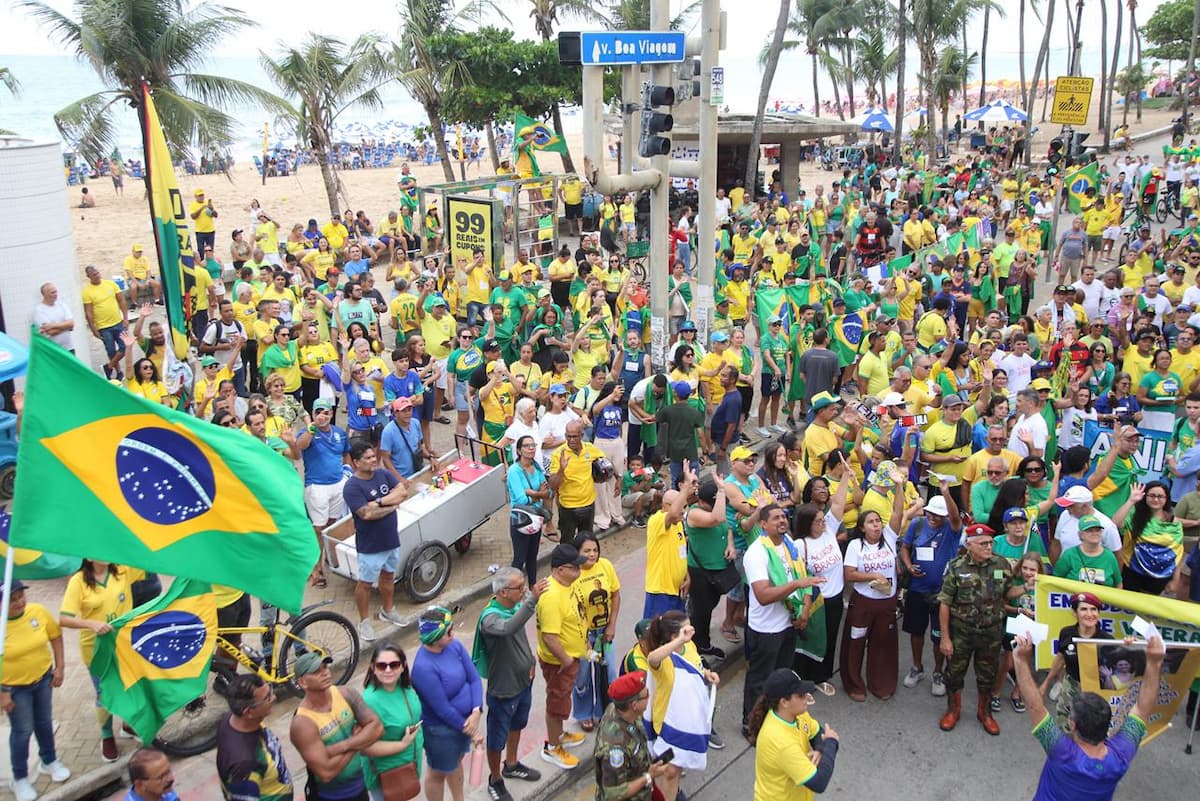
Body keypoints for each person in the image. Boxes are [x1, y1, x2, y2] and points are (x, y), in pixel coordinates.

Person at [1015, 631, 1165, 801]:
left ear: (1072, 724)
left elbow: (1035, 706)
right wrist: (1154, 663)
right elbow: (1142, 709)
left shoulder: (1062, 753)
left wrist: (1020, 660)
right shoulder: (1120, 755)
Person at [742, 502, 827, 738]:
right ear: (762, 524)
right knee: (759, 681)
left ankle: (776, 721)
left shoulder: (789, 545)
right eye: (776, 518)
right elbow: (763, 595)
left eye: (784, 517)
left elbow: (805, 578)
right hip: (766, 630)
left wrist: (805, 610)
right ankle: (751, 725)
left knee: (781, 677)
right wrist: (794, 586)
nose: (782, 521)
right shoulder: (756, 553)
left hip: (789, 624)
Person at [937, 523, 1022, 734]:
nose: (988, 547)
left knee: (987, 674)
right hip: (961, 632)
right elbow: (945, 603)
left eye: (991, 543)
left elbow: (1008, 592)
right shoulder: (956, 567)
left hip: (991, 632)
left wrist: (1026, 588)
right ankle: (953, 711)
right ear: (970, 545)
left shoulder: (1001, 564)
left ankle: (984, 713)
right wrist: (945, 638)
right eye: (983, 543)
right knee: (955, 673)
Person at [59, 559, 145, 763]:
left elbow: (146, 557)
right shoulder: (78, 581)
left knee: (129, 686)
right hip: (96, 650)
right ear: (87, 557)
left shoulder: (124, 569)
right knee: (104, 694)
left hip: (125, 645)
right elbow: (64, 619)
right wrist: (90, 624)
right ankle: (107, 735)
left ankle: (128, 724)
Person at [474, 568, 547, 801]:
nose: (524, 590)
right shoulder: (491, 618)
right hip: (503, 689)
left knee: (517, 724)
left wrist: (530, 660)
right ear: (504, 592)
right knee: (497, 737)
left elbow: (520, 636)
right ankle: (495, 779)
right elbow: (509, 628)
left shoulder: (513, 605)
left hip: (523, 681)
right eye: (520, 587)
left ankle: (512, 763)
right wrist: (533, 599)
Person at [840, 475, 907, 702]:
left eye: (878, 521)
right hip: (863, 603)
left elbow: (898, 512)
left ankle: (882, 683)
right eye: (870, 522)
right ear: (862, 527)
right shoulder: (855, 546)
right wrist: (873, 576)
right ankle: (854, 683)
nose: (876, 525)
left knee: (883, 643)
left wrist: (899, 485)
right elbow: (848, 574)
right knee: (856, 642)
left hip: (886, 603)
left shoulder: (889, 538)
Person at [2, 579, 69, 801]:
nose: (20, 602)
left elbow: (55, 636)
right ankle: (19, 778)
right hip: (14, 689)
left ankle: (48, 761)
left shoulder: (37, 611)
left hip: (42, 680)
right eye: (12, 600)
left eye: (21, 596)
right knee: (22, 731)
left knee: (44, 722)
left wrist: (60, 667)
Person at [410, 607, 483, 801]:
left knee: (456, 761)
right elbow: (441, 709)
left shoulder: (454, 646)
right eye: (449, 631)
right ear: (435, 637)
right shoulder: (423, 668)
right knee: (438, 772)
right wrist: (471, 730)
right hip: (441, 730)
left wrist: (476, 710)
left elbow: (474, 678)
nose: (454, 633)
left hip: (465, 723)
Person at [342, 440, 411, 642]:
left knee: (388, 577)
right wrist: (392, 504)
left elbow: (403, 491)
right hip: (370, 545)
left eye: (374, 456)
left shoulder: (383, 474)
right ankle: (363, 622)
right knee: (365, 584)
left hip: (391, 539)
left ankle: (388, 609)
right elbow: (366, 514)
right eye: (368, 458)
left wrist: (380, 502)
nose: (374, 460)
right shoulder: (352, 487)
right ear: (356, 462)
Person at [290, 652, 383, 801]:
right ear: (302, 683)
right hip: (330, 797)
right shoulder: (302, 723)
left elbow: (377, 728)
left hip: (360, 788)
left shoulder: (346, 693)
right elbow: (326, 773)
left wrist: (343, 746)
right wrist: (358, 740)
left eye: (325, 667)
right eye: (316, 672)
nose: (325, 673)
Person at [748, 669, 840, 801]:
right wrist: (830, 743)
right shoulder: (781, 742)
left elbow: (816, 732)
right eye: (800, 695)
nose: (807, 698)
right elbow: (819, 783)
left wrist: (820, 749)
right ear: (784, 702)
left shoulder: (796, 714)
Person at [535, 544, 589, 769]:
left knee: (562, 701)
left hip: (570, 658)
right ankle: (553, 747)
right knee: (556, 705)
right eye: (574, 567)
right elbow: (550, 637)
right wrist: (567, 661)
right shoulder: (551, 597)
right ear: (559, 570)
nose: (579, 570)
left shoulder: (568, 585)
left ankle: (559, 735)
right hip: (559, 663)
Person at [360, 643, 423, 801]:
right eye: (382, 666)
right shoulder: (369, 701)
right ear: (373, 668)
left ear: (403, 667)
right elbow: (364, 747)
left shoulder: (406, 688)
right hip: (386, 774)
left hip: (410, 766)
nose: (388, 670)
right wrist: (402, 745)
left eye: (394, 665)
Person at [591, 671, 667, 801]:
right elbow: (613, 794)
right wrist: (649, 776)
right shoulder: (615, 750)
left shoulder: (619, 710)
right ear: (634, 705)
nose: (650, 696)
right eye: (646, 695)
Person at [298, 398, 350, 588]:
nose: (322, 416)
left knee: (331, 525)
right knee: (318, 530)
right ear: (313, 414)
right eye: (318, 412)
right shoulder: (307, 432)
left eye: (326, 412)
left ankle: (328, 558)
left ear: (331, 414)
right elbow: (300, 446)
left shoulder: (339, 433)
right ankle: (315, 570)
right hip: (316, 487)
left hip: (337, 485)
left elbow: (346, 454)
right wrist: (311, 429)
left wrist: (348, 472)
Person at [217, 675, 294, 801]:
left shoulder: (232, 719)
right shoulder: (245, 764)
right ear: (248, 712)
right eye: (267, 698)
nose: (274, 698)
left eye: (270, 691)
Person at [572, 533, 621, 732]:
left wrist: (612, 625)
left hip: (604, 631)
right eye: (587, 551)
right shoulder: (573, 575)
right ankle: (584, 713)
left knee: (608, 673)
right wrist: (584, 640)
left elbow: (616, 596)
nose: (592, 555)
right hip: (583, 636)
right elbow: (573, 611)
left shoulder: (606, 566)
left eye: (595, 550)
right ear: (577, 553)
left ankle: (605, 712)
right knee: (582, 676)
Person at [548, 420, 605, 543]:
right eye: (569, 436)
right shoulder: (558, 454)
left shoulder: (590, 448)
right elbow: (552, 485)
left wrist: (618, 478)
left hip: (588, 505)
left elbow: (604, 461)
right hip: (568, 508)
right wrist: (561, 471)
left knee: (586, 542)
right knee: (567, 543)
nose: (572, 440)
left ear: (582, 435)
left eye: (575, 436)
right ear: (565, 436)